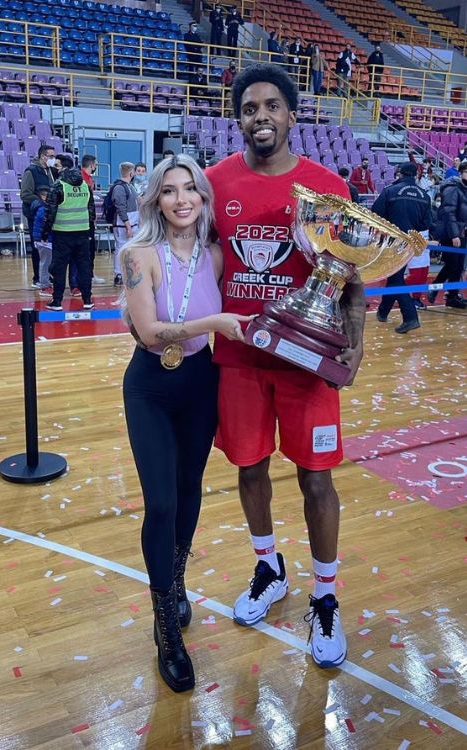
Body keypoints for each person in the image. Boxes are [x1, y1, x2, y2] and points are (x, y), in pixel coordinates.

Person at [206, 64, 366, 669]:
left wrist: (356, 341)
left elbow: (348, 274)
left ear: (292, 115)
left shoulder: (326, 188)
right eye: (250, 108)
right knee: (249, 469)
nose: (261, 116)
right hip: (240, 358)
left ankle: (325, 598)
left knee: (316, 479)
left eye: (273, 106)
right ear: (239, 118)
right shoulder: (217, 181)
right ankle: (268, 566)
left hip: (308, 360)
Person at [120, 154, 253, 692]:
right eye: (170, 190)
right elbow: (150, 332)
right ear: (155, 199)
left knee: (189, 492)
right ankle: (165, 632)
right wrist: (216, 322)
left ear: (203, 197)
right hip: (151, 386)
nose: (181, 199)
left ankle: (175, 584)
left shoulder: (216, 257)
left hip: (201, 383)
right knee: (162, 503)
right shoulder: (137, 254)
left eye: (190, 189)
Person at [373, 161, 431, 333]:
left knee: (396, 277)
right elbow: (426, 223)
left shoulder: (390, 190)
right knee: (394, 276)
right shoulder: (424, 195)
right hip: (411, 242)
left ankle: (410, 317)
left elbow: (376, 214)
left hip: (392, 241)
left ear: (400, 173)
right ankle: (383, 312)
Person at [41, 153, 95, 312]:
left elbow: (50, 212)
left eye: (57, 165)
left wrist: (45, 232)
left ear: (63, 167)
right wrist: (90, 229)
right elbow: (91, 210)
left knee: (59, 267)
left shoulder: (58, 185)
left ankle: (57, 302)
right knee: (84, 267)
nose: (55, 168)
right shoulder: (85, 185)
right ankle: (87, 300)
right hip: (83, 233)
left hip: (63, 233)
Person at [428, 160, 467, 309]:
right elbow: (449, 213)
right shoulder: (453, 188)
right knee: (451, 265)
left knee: (458, 267)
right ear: (461, 172)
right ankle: (434, 289)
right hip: (451, 233)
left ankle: (452, 296)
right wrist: (454, 234)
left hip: (461, 232)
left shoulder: (464, 189)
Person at [20, 144, 57, 288]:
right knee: (38, 247)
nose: (53, 159)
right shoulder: (31, 171)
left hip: (50, 214)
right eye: (51, 156)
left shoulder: (51, 172)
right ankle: (38, 278)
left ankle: (47, 275)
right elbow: (25, 194)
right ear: (43, 156)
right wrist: (40, 202)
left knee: (49, 247)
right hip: (36, 215)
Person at [111, 162, 139, 287]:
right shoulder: (119, 188)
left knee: (131, 250)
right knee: (121, 249)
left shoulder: (131, 187)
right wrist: (127, 226)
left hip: (133, 223)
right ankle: (118, 275)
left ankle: (128, 273)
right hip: (123, 225)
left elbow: (139, 201)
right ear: (131, 173)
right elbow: (120, 208)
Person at [81, 154, 104, 285]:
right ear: (91, 165)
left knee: (90, 249)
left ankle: (90, 274)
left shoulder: (89, 179)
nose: (95, 167)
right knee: (87, 250)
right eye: (95, 165)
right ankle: (86, 276)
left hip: (89, 217)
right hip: (84, 219)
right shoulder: (82, 179)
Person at [30, 187, 54, 298]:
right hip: (44, 240)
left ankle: (46, 283)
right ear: (43, 197)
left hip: (43, 239)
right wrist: (43, 238)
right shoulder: (43, 210)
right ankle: (44, 286)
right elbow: (45, 226)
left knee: (46, 262)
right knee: (45, 263)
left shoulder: (41, 208)